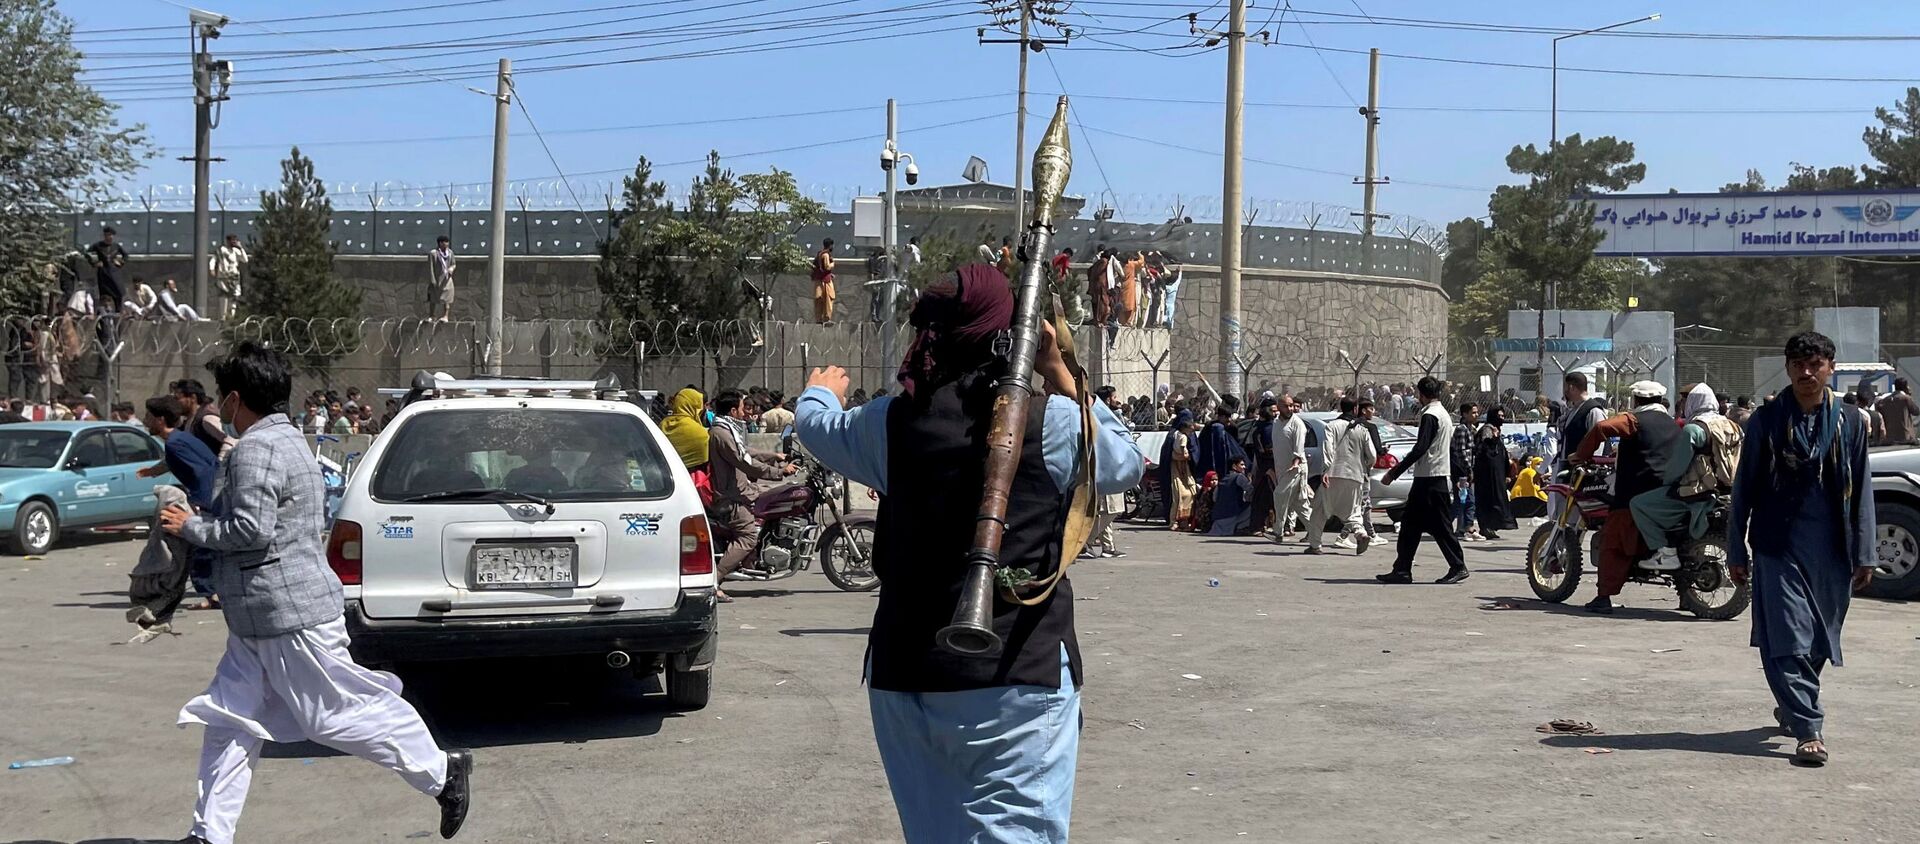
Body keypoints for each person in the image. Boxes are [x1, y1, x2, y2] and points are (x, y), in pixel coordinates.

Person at [792, 263, 1142, 842]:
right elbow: (1125, 461)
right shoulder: (1050, 421)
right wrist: (1058, 369)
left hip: (907, 675)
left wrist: (819, 391)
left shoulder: (890, 423)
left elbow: (816, 425)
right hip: (1016, 674)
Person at [157, 341, 472, 844]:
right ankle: (208, 834)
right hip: (257, 618)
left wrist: (191, 526)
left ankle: (440, 770)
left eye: (223, 398)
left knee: (336, 715)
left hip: (289, 616)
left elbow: (250, 531)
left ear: (237, 398)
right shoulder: (289, 440)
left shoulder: (258, 448)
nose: (221, 409)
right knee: (230, 720)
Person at [1728, 331, 1874, 767]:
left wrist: (1865, 551)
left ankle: (1793, 703)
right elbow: (1744, 489)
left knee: (1819, 640)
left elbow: (1862, 486)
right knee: (1787, 638)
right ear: (1788, 368)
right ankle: (1809, 728)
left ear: (1830, 367)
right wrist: (1737, 548)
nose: (1806, 373)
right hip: (1778, 545)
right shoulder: (1767, 421)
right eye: (1798, 365)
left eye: (1815, 365)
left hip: (1832, 547)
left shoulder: (1849, 421)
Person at [1569, 380, 1684, 614]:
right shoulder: (1672, 423)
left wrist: (1581, 455)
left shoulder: (1634, 420)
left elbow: (1602, 428)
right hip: (1667, 490)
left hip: (1636, 491)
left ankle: (1603, 598)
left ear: (1637, 400)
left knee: (1612, 541)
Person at [128, 396, 219, 643]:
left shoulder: (176, 442)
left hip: (204, 503)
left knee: (181, 559)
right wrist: (151, 472)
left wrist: (198, 506)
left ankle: (159, 611)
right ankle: (160, 613)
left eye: (148, 417)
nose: (145, 421)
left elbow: (203, 471)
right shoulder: (180, 440)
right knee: (188, 557)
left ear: (159, 420)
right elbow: (177, 463)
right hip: (206, 501)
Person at [1631, 383, 1744, 569]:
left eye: (1685, 399)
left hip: (1698, 491)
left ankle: (1665, 553)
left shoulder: (1694, 430)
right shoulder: (1732, 425)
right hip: (1727, 490)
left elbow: (1677, 467)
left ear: (1693, 402)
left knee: (1639, 504)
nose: (1683, 404)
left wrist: (1666, 481)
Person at [1377, 376, 1468, 584]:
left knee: (1441, 527)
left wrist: (1394, 473)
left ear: (1421, 394)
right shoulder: (1443, 414)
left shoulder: (1430, 415)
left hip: (1430, 479)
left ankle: (1458, 565)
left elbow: (1421, 447)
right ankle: (1402, 569)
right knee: (1410, 524)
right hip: (1431, 477)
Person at [707, 388, 793, 602]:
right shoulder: (722, 433)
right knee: (748, 536)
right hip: (732, 498)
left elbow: (746, 451)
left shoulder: (728, 430)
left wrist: (773, 455)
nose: (746, 411)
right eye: (742, 407)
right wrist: (779, 472)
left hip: (741, 490)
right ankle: (713, 582)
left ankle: (751, 562)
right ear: (733, 409)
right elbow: (744, 461)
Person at [1306, 396, 1377, 554]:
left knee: (1319, 510)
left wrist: (1326, 470)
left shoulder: (1332, 426)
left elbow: (1328, 449)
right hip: (1356, 476)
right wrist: (1365, 467)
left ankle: (1315, 545)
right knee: (1353, 511)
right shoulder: (1362, 429)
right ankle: (1361, 533)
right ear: (1355, 410)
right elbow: (1372, 456)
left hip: (1333, 474)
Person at [1083, 386, 1129, 558]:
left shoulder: (1108, 415)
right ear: (1108, 399)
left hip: (1108, 465)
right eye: (1115, 397)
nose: (1118, 400)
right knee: (1110, 508)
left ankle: (1108, 547)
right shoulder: (1104, 416)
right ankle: (1084, 541)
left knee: (1106, 510)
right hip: (1105, 467)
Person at [1270, 393, 1312, 539]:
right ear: (1278, 407)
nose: (1290, 409)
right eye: (1286, 406)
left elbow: (1299, 449)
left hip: (1295, 469)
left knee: (1279, 495)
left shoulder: (1297, 424)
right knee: (1299, 504)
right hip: (1282, 470)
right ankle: (1314, 531)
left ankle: (1278, 531)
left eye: (1291, 406)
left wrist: (1295, 463)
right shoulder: (1276, 423)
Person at [1473, 408, 1517, 540]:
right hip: (1486, 475)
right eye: (1499, 416)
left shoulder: (1496, 429)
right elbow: (1485, 447)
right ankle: (1485, 527)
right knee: (1487, 500)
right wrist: (1494, 439)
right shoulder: (1488, 429)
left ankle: (1491, 527)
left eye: (1503, 415)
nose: (1502, 418)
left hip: (1496, 474)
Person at [1243, 398, 1278, 536]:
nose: (1275, 414)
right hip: (1266, 469)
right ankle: (1256, 526)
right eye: (1273, 411)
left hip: (1275, 467)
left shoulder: (1274, 426)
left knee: (1274, 498)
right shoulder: (1259, 429)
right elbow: (1261, 451)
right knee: (1261, 498)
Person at [1162, 411, 1199, 530]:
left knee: (1191, 492)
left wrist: (1190, 458)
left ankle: (1185, 520)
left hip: (1187, 470)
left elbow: (1195, 453)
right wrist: (1180, 456)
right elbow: (1168, 455)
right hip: (1174, 470)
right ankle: (1174, 521)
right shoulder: (1173, 435)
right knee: (1178, 495)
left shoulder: (1189, 435)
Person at [1450, 402, 1480, 541]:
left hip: (1464, 471)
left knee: (1463, 500)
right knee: (1466, 499)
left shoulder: (1469, 429)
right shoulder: (1462, 429)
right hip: (1462, 472)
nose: (1476, 415)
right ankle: (1468, 528)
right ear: (1465, 414)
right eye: (1473, 413)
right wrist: (1469, 470)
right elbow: (1461, 452)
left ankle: (1462, 528)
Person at [1205, 457, 1253, 535]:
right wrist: (1250, 481)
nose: (1244, 467)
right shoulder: (1239, 477)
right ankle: (1240, 527)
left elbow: (1215, 498)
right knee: (1255, 505)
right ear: (1234, 466)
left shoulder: (1222, 479)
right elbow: (1250, 490)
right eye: (1242, 464)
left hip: (1218, 517)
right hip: (1232, 514)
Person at [87, 225, 129, 314]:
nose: (109, 237)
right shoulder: (98, 245)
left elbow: (126, 255)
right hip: (103, 273)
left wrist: (120, 262)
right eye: (107, 235)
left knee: (119, 292)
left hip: (114, 272)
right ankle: (104, 313)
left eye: (110, 235)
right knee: (104, 294)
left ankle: (119, 311)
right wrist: (94, 263)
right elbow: (87, 253)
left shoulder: (116, 246)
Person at [211, 233, 247, 319]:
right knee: (223, 296)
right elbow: (214, 259)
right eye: (232, 240)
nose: (233, 242)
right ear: (228, 241)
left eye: (235, 240)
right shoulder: (221, 250)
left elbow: (245, 260)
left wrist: (241, 248)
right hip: (223, 277)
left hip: (234, 278)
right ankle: (223, 316)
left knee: (234, 296)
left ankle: (232, 316)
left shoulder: (236, 251)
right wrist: (212, 269)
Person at [1878, 378, 1919, 446]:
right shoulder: (1906, 398)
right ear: (1905, 387)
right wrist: (1909, 396)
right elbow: (1916, 411)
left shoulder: (1886, 400)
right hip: (1905, 435)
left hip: (1890, 436)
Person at [427, 236, 456, 322]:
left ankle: (445, 316)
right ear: (440, 243)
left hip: (447, 280)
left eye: (447, 242)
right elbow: (430, 267)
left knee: (447, 299)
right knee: (433, 298)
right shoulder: (433, 253)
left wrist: (452, 268)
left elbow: (454, 264)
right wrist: (432, 279)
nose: (447, 244)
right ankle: (432, 315)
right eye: (445, 242)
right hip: (437, 279)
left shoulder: (450, 253)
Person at [813, 239, 837, 325]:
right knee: (828, 299)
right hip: (825, 282)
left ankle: (819, 319)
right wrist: (833, 264)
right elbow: (827, 267)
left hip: (819, 281)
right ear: (830, 245)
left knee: (819, 300)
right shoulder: (826, 255)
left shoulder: (820, 254)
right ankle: (826, 319)